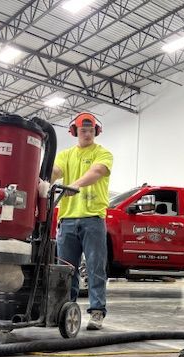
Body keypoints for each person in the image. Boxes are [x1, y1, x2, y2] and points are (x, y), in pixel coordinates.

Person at [52, 112, 113, 330]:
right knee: (66, 270)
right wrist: (41, 178)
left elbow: (97, 172)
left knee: (96, 267)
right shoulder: (65, 155)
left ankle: (97, 312)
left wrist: (76, 184)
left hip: (93, 218)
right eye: (82, 130)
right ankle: (65, 310)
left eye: (90, 130)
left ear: (95, 132)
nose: (86, 134)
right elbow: (56, 171)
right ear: (75, 132)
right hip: (67, 219)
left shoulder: (102, 153)